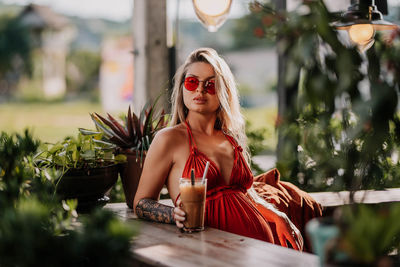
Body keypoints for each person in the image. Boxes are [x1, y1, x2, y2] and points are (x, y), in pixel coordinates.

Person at [133, 47, 303, 250]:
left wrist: (277, 215)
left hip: (258, 249)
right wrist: (173, 214)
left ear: (224, 92)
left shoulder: (230, 139)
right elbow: (141, 202)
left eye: (211, 84)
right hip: (210, 251)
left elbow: (244, 193)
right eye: (192, 82)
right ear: (183, 88)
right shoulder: (169, 139)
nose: (200, 90)